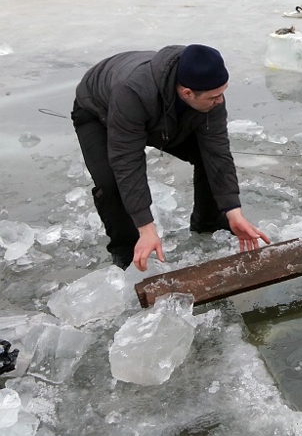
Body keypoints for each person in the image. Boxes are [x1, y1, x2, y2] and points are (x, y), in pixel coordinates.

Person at [72, 44, 271, 271]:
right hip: (99, 112)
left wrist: (233, 211)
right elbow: (127, 162)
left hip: (163, 110)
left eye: (222, 93)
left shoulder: (208, 94)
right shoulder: (132, 91)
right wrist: (146, 228)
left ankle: (208, 222)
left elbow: (218, 153)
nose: (220, 101)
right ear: (187, 92)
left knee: (207, 156)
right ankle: (127, 250)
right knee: (111, 183)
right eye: (214, 97)